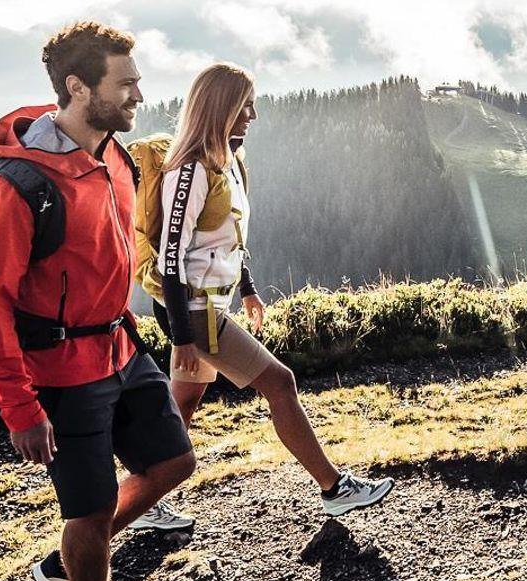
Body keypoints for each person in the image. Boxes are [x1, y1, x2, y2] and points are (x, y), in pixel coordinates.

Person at [0, 21, 194, 581]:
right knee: (89, 512)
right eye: (124, 84)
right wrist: (19, 408)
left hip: (121, 347)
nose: (138, 96)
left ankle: (70, 562)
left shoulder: (113, 157)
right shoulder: (16, 187)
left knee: (173, 462)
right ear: (77, 87)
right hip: (62, 375)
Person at [132, 61, 394, 518]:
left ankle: (143, 502)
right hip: (192, 310)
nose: (253, 115)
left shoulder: (230, 161)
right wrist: (183, 336)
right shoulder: (189, 170)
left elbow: (229, 239)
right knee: (279, 381)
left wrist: (248, 289)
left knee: (184, 403)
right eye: (245, 106)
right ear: (220, 107)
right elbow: (171, 256)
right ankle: (334, 488)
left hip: (207, 304)